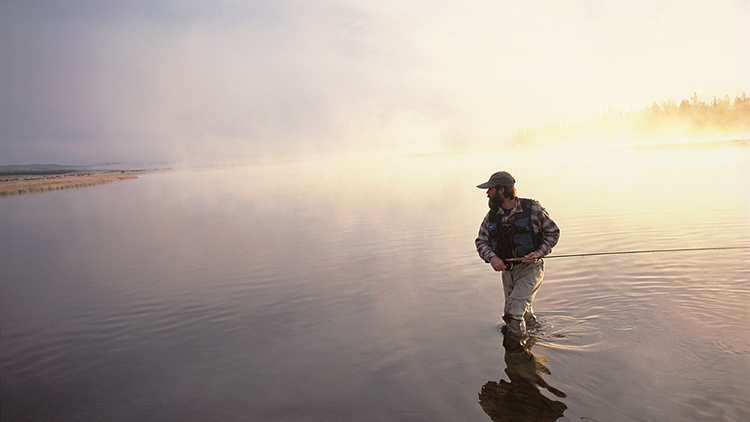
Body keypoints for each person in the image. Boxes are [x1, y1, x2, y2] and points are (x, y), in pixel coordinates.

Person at [475, 171, 560, 336]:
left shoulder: (533, 208)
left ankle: (518, 351)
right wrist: (492, 257)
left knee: (513, 312)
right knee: (524, 313)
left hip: (531, 270)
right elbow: (481, 242)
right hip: (508, 272)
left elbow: (553, 233)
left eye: (490, 189)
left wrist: (537, 253)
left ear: (501, 191)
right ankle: (533, 337)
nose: (487, 193)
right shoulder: (491, 217)